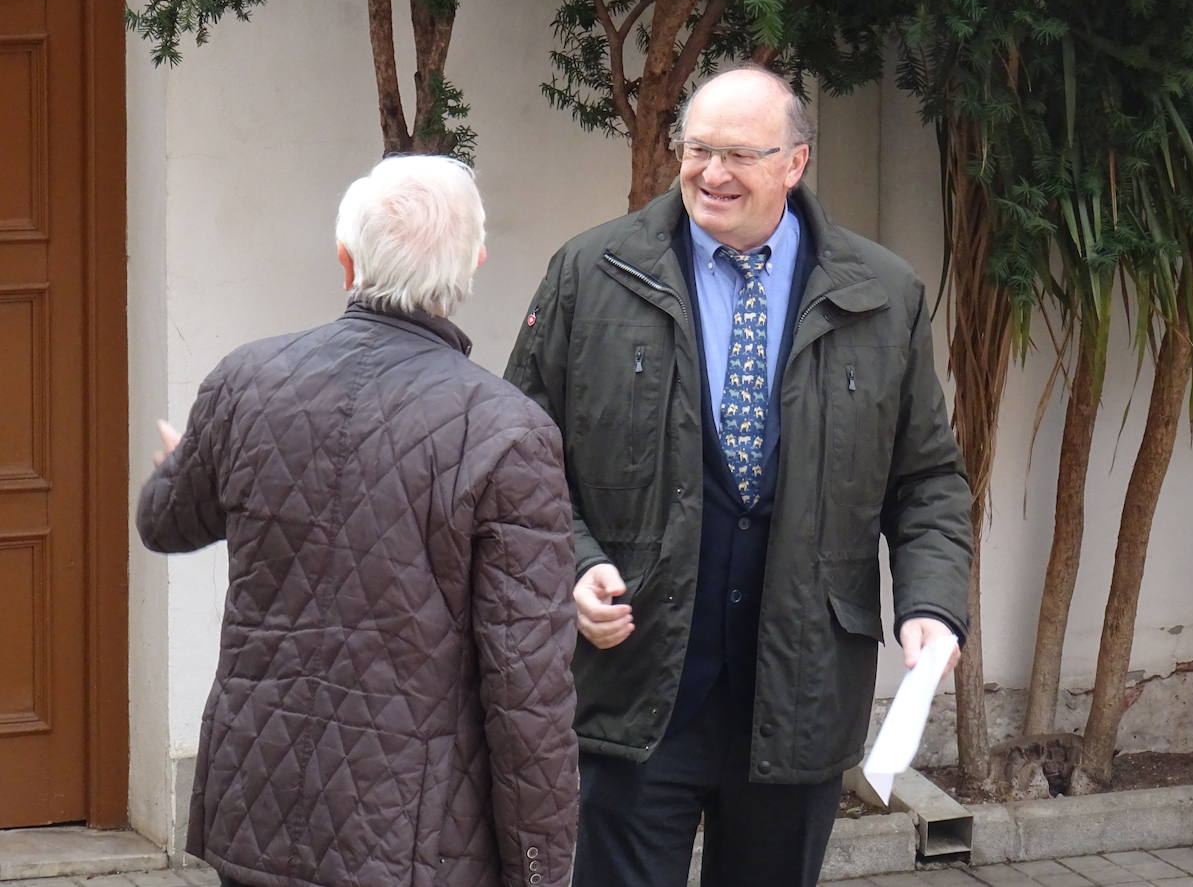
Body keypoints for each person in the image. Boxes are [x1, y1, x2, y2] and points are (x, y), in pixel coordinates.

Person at [504, 66, 974, 887]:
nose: (711, 173)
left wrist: (931, 605)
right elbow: (522, 455)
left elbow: (927, 480)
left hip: (799, 689)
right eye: (697, 149)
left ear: (794, 162)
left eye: (738, 155)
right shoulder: (592, 272)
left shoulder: (882, 294)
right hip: (637, 685)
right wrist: (573, 562)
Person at [138, 155, 579, 887]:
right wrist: (543, 869)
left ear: (346, 260)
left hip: (261, 802)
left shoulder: (247, 381)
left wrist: (183, 459)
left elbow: (165, 521)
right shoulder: (509, 431)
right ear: (473, 263)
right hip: (414, 838)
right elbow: (527, 688)